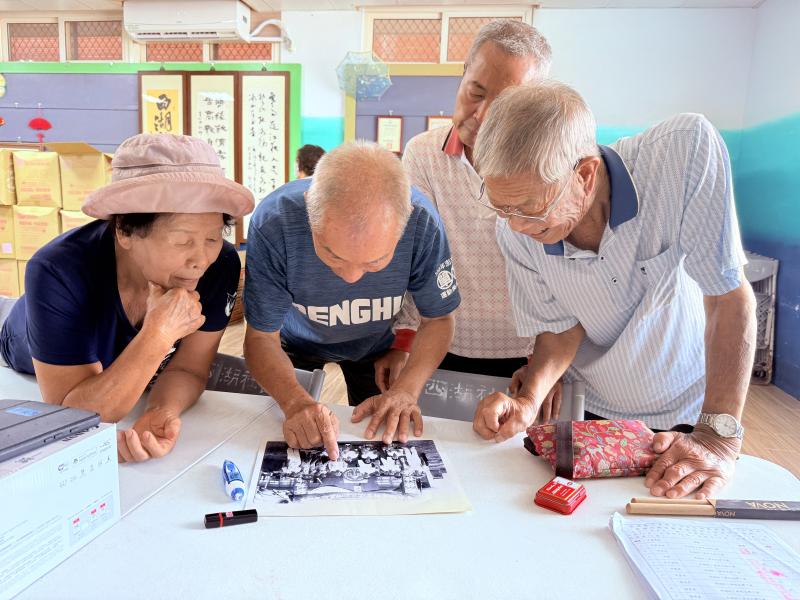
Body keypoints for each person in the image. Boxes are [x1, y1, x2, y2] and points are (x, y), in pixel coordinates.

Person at [471, 81, 757, 500]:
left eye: (530, 209)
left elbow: (726, 298)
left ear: (585, 175)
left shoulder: (683, 152)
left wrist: (717, 437)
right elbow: (559, 328)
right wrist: (529, 399)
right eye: (502, 208)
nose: (515, 225)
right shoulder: (516, 233)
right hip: (590, 412)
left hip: (689, 415)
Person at [0, 134, 254, 463]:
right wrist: (158, 334)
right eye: (182, 241)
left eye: (212, 238)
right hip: (22, 347)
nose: (201, 260)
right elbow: (74, 413)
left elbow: (190, 368)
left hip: (120, 364)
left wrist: (161, 410)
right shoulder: (57, 270)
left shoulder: (220, 265)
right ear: (124, 230)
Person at [385, 20, 561, 419]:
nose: (481, 115)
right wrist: (404, 339)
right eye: (475, 93)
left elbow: (564, 272)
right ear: (462, 76)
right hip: (441, 341)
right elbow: (414, 256)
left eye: (504, 106)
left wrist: (548, 365)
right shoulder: (424, 154)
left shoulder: (548, 162)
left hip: (526, 352)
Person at [243, 141, 461, 460]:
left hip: (375, 346)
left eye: (375, 262)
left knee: (378, 435)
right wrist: (294, 402)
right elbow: (261, 337)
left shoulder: (423, 223)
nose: (351, 277)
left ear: (404, 226)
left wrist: (406, 390)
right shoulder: (275, 222)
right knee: (287, 432)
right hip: (291, 345)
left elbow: (439, 319)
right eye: (333, 255)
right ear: (308, 210)